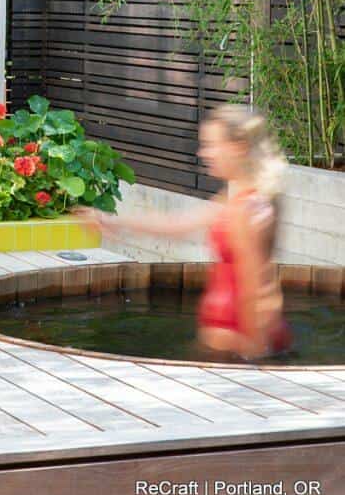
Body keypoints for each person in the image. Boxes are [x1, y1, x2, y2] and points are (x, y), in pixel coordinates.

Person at [73, 104, 292, 361]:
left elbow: (254, 284)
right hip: (230, 330)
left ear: (239, 147)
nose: (203, 153)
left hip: (235, 334)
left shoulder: (247, 210)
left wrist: (255, 352)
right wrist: (114, 220)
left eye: (211, 145)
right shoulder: (236, 200)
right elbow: (176, 225)